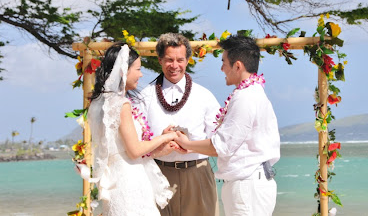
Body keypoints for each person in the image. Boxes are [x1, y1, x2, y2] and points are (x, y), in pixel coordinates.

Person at [174, 35, 281, 216]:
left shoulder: (246, 97)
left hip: (247, 186)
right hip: (250, 184)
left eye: (224, 62)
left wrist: (186, 143)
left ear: (237, 66)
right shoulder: (252, 93)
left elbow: (222, 145)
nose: (222, 68)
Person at [88, 43, 179, 216]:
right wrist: (167, 137)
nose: (141, 74)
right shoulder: (121, 105)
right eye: (137, 69)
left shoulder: (100, 102)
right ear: (124, 71)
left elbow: (122, 150)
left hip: (117, 179)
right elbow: (134, 151)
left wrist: (158, 148)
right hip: (130, 182)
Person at [137, 33, 220, 216]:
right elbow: (137, 142)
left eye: (180, 60)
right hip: (158, 174)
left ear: (188, 60)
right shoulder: (146, 96)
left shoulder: (204, 96)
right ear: (159, 60)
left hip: (197, 173)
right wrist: (160, 142)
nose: (175, 66)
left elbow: (219, 141)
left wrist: (191, 147)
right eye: (169, 60)